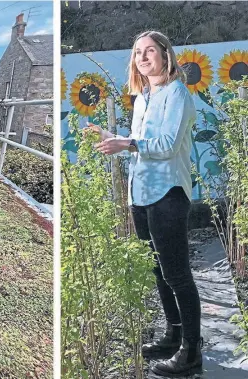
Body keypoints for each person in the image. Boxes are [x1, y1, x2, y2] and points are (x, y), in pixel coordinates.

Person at [86, 30, 202, 377]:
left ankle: (191, 351)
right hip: (141, 192)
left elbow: (166, 144)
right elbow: (138, 141)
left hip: (168, 193)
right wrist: (115, 139)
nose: (144, 56)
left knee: (178, 274)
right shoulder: (142, 98)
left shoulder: (176, 93)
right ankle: (173, 334)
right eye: (138, 52)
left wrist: (126, 144)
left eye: (150, 50)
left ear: (166, 55)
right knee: (158, 271)